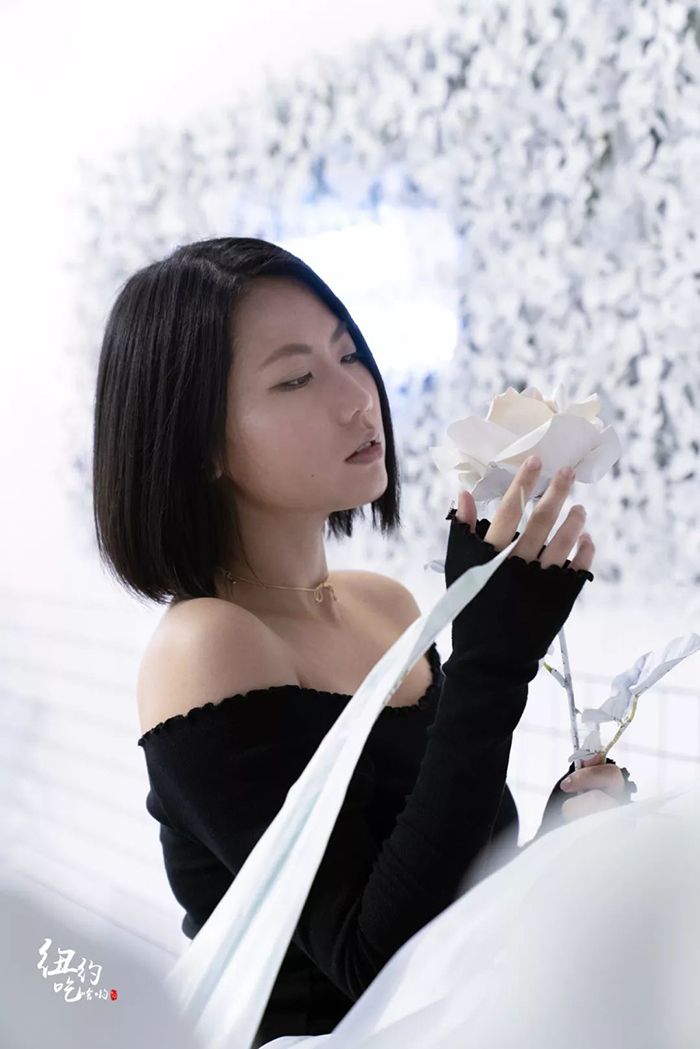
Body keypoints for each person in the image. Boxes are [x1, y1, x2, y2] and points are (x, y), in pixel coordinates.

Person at [91, 237, 634, 1046]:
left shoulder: (382, 605)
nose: (357, 397)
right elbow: (369, 960)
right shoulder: (205, 646)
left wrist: (563, 828)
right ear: (199, 444)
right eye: (296, 378)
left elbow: (448, 904)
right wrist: (492, 662)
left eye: (349, 354)